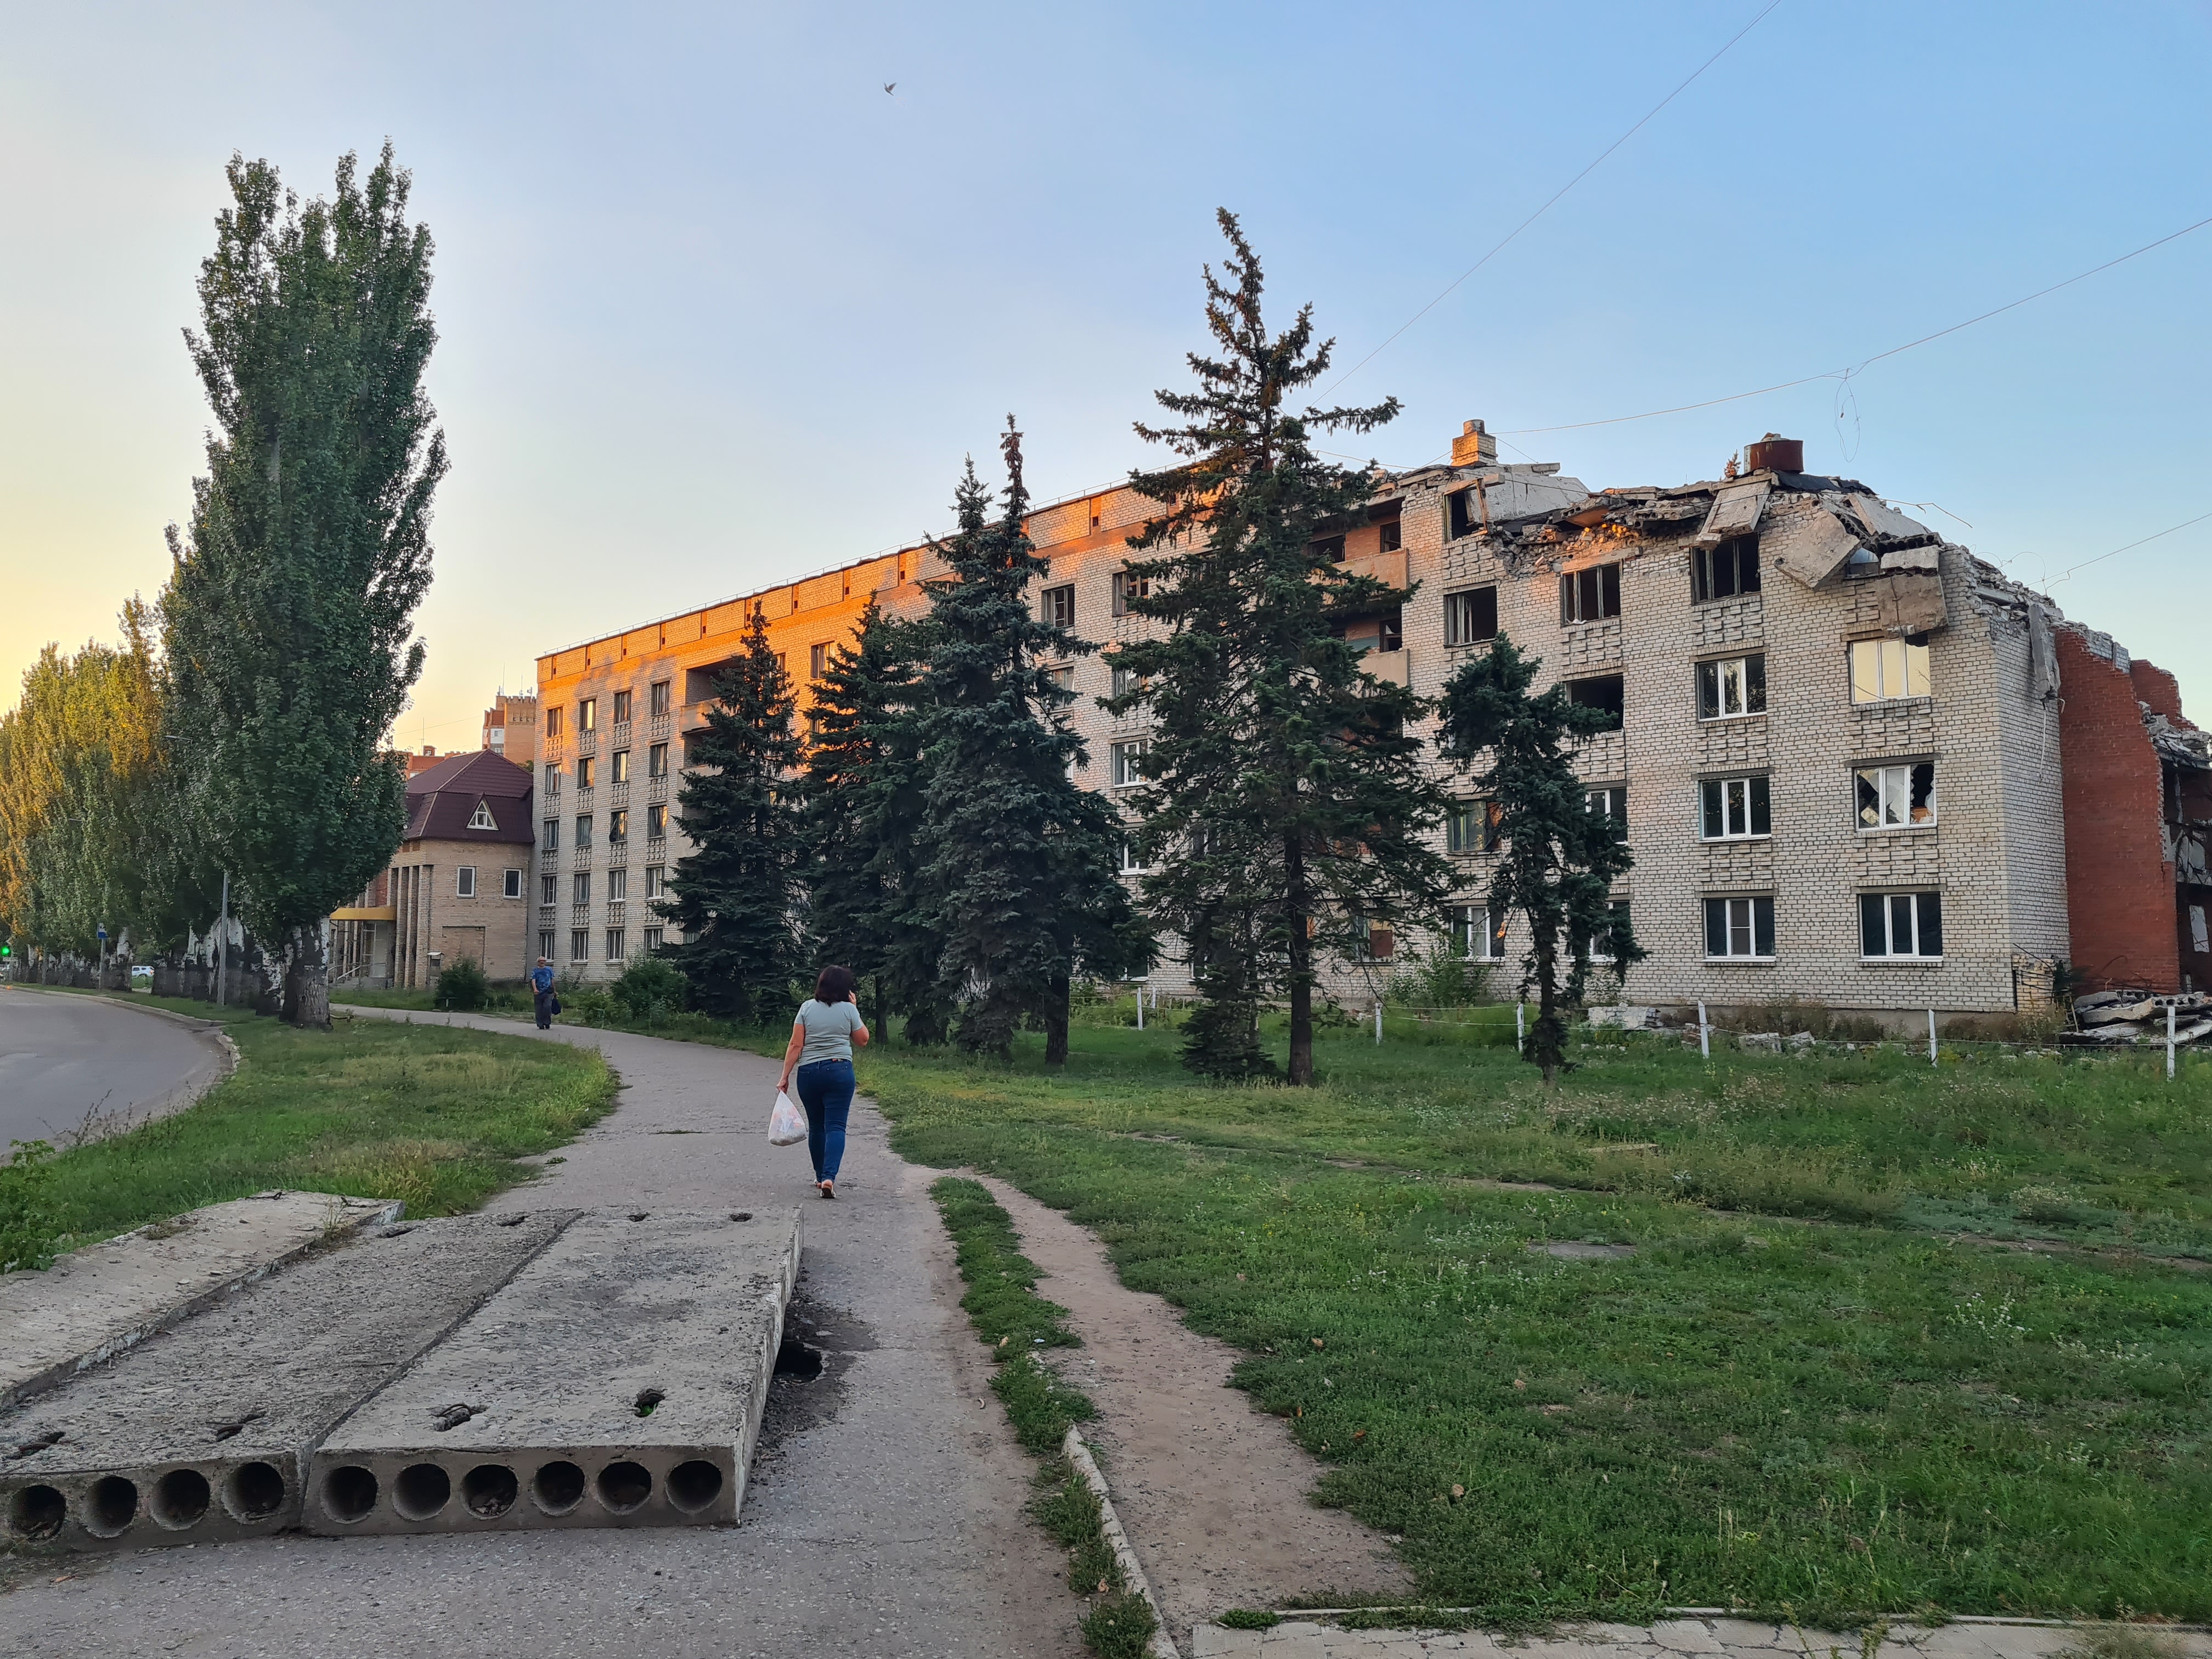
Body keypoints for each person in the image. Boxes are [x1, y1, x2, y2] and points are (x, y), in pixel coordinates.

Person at [776, 965, 869, 1199]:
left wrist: (785, 1076)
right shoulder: (848, 1009)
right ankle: (830, 1177)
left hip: (809, 1074)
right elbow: (863, 1040)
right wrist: (855, 1010)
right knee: (836, 1126)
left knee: (817, 1126)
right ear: (844, 988)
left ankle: (819, 1177)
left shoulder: (806, 1008)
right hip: (839, 1070)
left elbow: (796, 1045)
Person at [530, 957, 557, 1030]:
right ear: (538, 962)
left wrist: (554, 990)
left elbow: (552, 979)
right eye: (540, 961)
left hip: (548, 991)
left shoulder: (549, 969)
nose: (542, 962)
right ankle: (540, 1024)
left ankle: (547, 1022)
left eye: (543, 961)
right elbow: (533, 980)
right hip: (538, 992)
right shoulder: (536, 971)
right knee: (539, 1009)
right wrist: (535, 989)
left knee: (547, 1007)